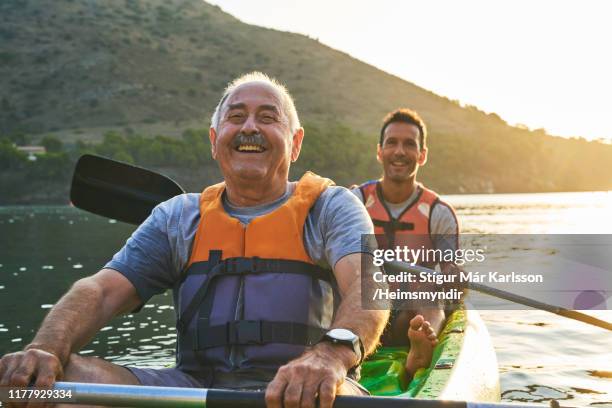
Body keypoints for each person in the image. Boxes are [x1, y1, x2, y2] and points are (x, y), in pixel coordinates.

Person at [0, 72, 388, 408]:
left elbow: (370, 284)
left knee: (334, 393)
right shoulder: (178, 217)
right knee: (48, 383)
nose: (250, 127)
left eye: (268, 118)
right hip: (189, 390)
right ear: (214, 138)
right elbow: (101, 291)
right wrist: (45, 348)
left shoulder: (330, 206)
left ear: (296, 141)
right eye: (236, 117)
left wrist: (331, 356)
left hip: (301, 389)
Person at [352, 108, 459, 379]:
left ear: (422, 155)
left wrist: (455, 279)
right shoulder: (354, 202)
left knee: (428, 291)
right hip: (360, 310)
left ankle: (420, 349)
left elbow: (449, 270)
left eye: (409, 144)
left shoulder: (439, 213)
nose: (400, 151)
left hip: (407, 317)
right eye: (392, 143)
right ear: (380, 151)